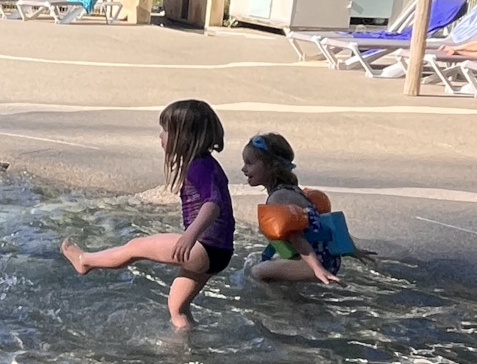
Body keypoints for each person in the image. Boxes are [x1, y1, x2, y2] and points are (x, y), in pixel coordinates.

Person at [61, 97, 233, 329]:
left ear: (184, 136)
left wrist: (190, 235)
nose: (160, 136)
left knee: (135, 247)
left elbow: (213, 204)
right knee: (177, 308)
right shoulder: (205, 164)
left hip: (202, 248)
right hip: (219, 253)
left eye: (166, 130)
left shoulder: (199, 166)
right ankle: (185, 349)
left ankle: (85, 261)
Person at [242, 132, 341, 287]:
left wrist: (317, 268)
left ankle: (287, 309)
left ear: (270, 166)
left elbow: (296, 237)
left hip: (314, 263)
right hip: (328, 259)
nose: (243, 169)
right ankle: (294, 304)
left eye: (249, 163)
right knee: (267, 264)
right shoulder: (293, 190)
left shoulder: (278, 198)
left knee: (257, 272)